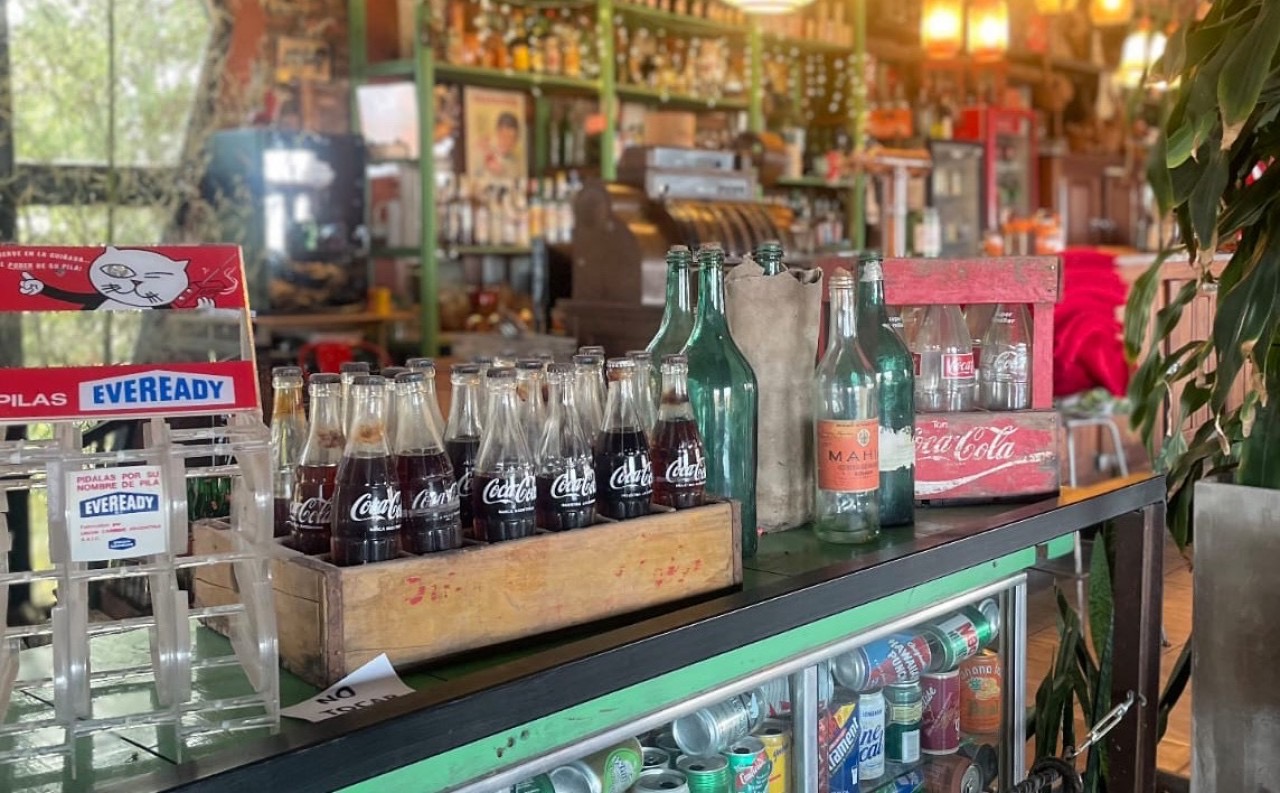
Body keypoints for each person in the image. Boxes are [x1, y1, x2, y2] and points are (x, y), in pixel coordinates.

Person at [479, 112, 523, 181]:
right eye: (504, 136)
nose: (508, 142)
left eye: (512, 138)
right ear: (497, 133)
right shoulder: (485, 153)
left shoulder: (515, 161)